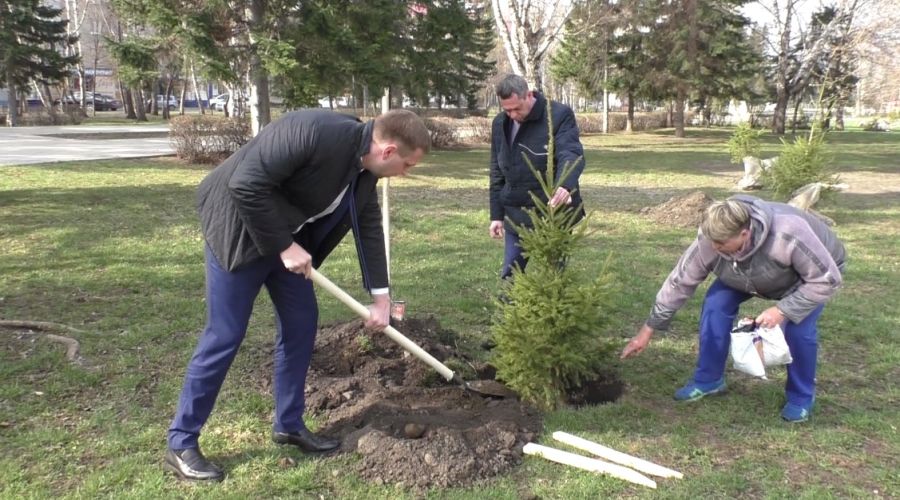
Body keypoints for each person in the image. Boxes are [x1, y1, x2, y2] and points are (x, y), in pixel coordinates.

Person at [164, 109, 431, 481]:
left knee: (301, 324)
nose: (406, 173)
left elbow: (367, 226)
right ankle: (181, 442)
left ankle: (288, 423)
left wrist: (382, 296)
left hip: (288, 242)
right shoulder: (313, 132)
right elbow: (245, 183)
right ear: (387, 151)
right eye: (407, 164)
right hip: (238, 229)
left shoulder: (365, 169)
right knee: (224, 334)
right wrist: (285, 246)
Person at [621, 195, 846, 423]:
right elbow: (679, 282)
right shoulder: (711, 241)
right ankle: (708, 380)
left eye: (721, 244)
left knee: (798, 330)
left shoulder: (787, 234)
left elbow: (826, 280)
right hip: (744, 273)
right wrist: (648, 329)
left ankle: (801, 398)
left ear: (744, 234)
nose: (714, 249)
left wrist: (782, 311)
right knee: (715, 304)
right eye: (713, 243)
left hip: (810, 276)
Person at [488, 74, 586, 279]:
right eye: (507, 110)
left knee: (554, 276)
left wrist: (564, 185)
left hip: (552, 212)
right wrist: (496, 216)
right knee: (510, 274)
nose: (513, 115)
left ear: (529, 95)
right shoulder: (500, 123)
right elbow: (497, 171)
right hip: (516, 213)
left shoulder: (559, 115)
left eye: (517, 108)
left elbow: (570, 153)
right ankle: (510, 309)